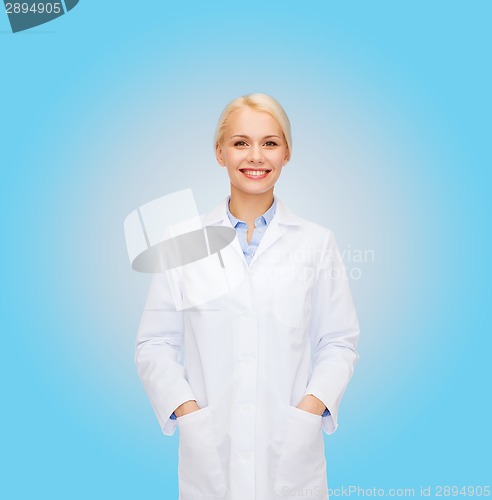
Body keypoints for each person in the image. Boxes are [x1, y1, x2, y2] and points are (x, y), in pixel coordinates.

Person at [134, 93, 360, 500]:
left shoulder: (316, 242)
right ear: (219, 153)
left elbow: (338, 342)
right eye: (240, 143)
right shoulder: (183, 241)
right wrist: (186, 410)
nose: (255, 156)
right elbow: (155, 343)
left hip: (292, 451)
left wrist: (310, 409)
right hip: (210, 450)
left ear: (287, 153)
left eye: (270, 143)